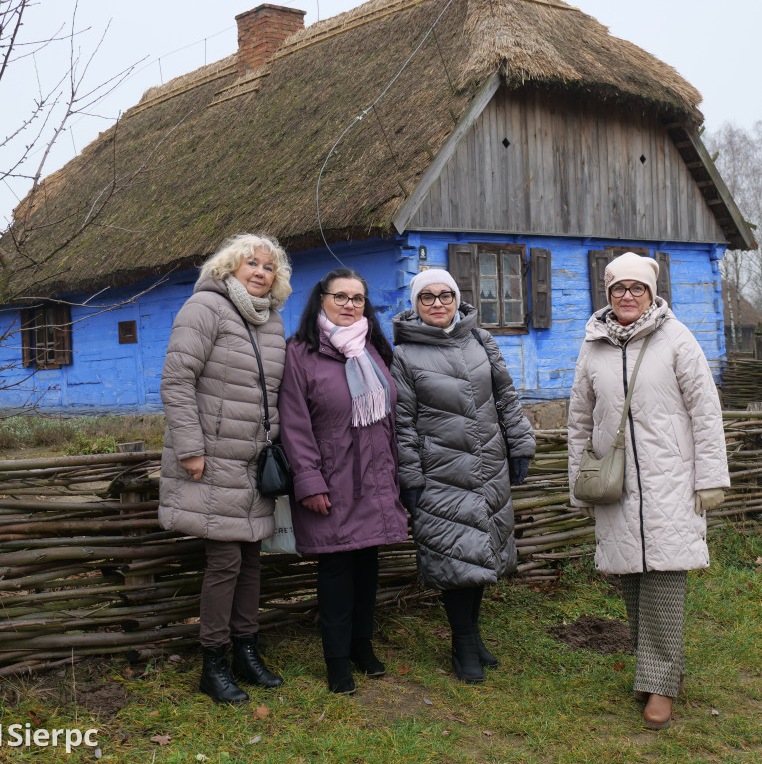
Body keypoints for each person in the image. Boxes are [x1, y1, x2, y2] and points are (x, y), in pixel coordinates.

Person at [567, 252, 729, 730]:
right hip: (616, 484)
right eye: (619, 289)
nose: (628, 296)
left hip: (669, 481)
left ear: (652, 293)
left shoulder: (676, 339)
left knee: (663, 580)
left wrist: (710, 478)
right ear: (608, 293)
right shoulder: (593, 345)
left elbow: (705, 409)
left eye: (637, 288)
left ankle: (661, 684)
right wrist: (579, 484)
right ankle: (652, 667)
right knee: (631, 581)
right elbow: (579, 419)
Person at [158, 233, 291, 705]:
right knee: (225, 560)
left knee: (253, 555)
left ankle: (246, 651)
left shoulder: (272, 322)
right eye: (250, 263)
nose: (259, 272)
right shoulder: (204, 309)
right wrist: (190, 448)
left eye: (268, 267)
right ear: (229, 267)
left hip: (254, 461)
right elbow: (177, 379)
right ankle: (212, 662)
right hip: (211, 458)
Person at [391, 269, 536, 684]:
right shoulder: (403, 355)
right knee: (456, 555)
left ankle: (472, 637)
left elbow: (506, 395)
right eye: (428, 298)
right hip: (442, 472)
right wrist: (411, 476)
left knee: (482, 551)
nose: (438, 303)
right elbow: (401, 422)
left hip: (487, 463)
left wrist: (520, 443)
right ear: (416, 305)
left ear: (457, 299)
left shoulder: (480, 340)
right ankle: (462, 644)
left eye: (446, 295)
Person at [277, 268, 409, 695]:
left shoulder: (371, 346)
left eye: (357, 298)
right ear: (321, 300)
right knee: (336, 568)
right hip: (331, 478)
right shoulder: (300, 353)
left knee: (367, 565)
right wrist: (310, 481)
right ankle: (336, 660)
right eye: (341, 297)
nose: (350, 305)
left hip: (373, 475)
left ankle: (361, 646)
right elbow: (295, 424)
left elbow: (388, 415)